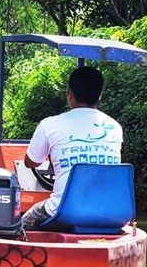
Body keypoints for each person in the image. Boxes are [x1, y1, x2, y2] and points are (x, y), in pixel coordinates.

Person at [22, 66, 123, 230]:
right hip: (112, 212)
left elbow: (30, 162)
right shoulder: (115, 127)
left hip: (64, 211)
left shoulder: (49, 125)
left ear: (70, 94)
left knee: (23, 223)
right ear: (100, 95)